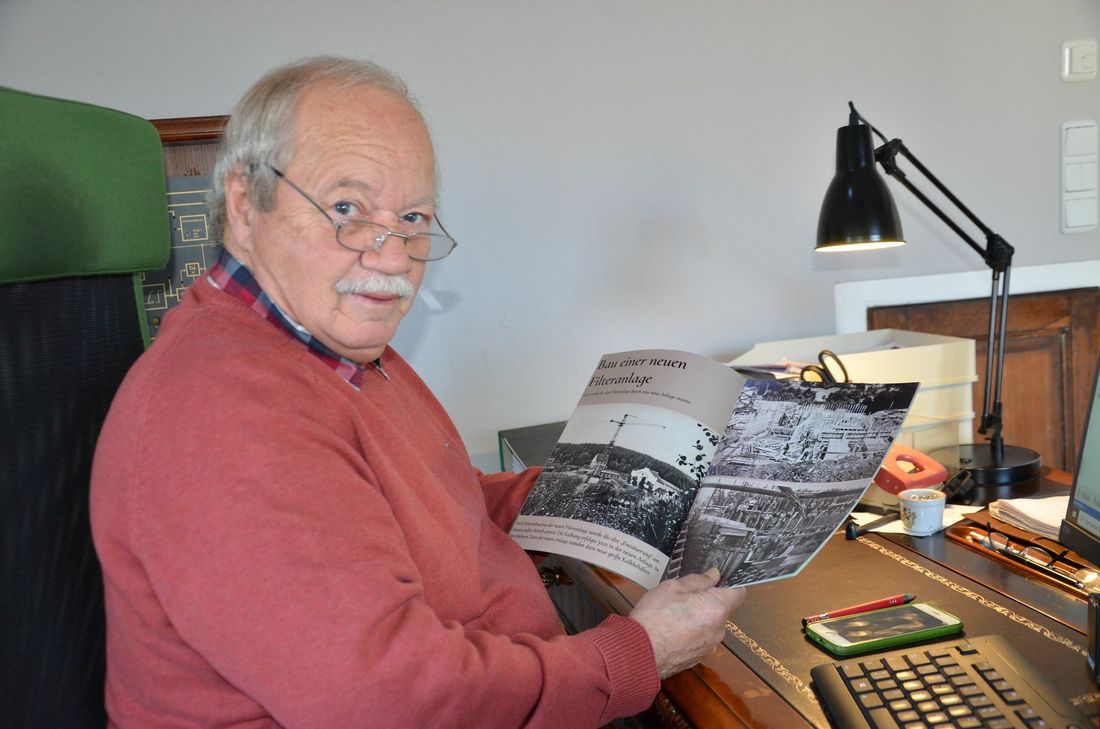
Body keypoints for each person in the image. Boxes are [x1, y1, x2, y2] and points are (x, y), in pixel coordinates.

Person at [90, 56, 745, 728]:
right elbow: (386, 699)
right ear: (243, 203)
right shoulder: (222, 408)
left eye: (414, 217)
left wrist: (619, 496)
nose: (392, 253)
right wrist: (640, 652)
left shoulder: (331, 348)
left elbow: (434, 506)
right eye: (347, 208)